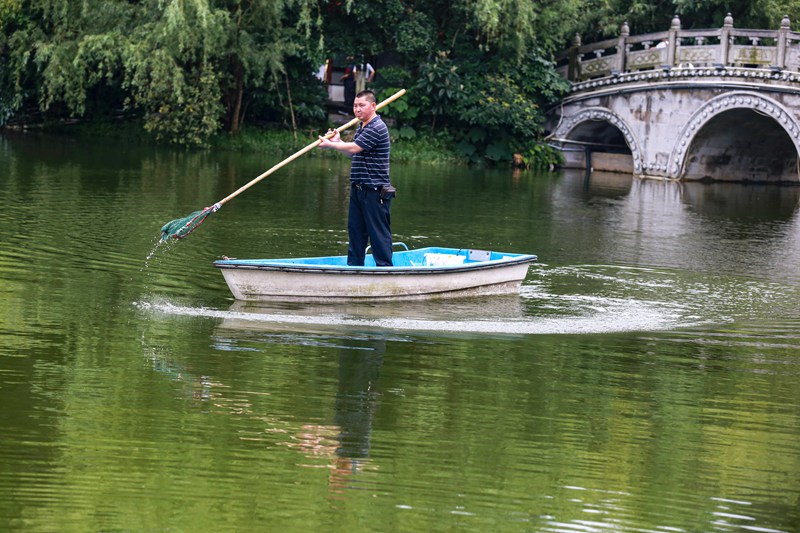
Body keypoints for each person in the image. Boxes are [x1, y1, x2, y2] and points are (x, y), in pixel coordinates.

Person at [318, 90, 395, 267]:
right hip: (358, 189)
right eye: (355, 105)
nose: (357, 109)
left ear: (373, 106)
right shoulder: (362, 127)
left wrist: (330, 145)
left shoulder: (377, 127)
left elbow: (353, 148)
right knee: (355, 233)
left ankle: (385, 271)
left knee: (378, 235)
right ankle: (354, 270)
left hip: (375, 192)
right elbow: (354, 154)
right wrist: (337, 143)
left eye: (362, 105)